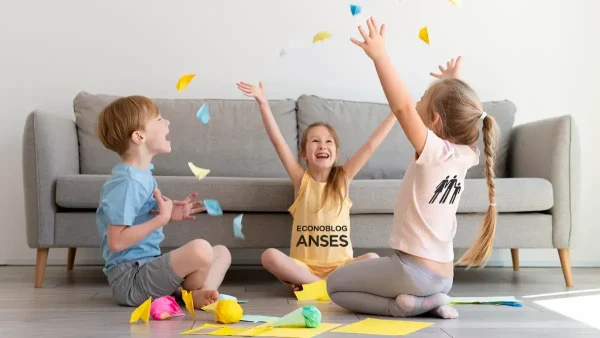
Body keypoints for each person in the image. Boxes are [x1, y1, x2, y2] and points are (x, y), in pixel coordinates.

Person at [326, 17, 499, 319]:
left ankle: (403, 306)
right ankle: (431, 300)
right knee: (369, 271)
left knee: (334, 286)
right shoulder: (467, 154)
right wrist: (453, 85)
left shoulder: (433, 151)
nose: (416, 102)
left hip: (413, 273)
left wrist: (380, 56)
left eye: (423, 100)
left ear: (433, 121)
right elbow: (461, 115)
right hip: (444, 276)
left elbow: (402, 107)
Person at [236, 81, 397, 290]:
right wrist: (263, 104)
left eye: (328, 142)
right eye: (315, 141)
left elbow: (370, 146)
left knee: (373, 258)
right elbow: (278, 142)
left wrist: (396, 112)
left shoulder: (343, 178)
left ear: (336, 153)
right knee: (269, 257)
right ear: (304, 154)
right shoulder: (300, 180)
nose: (322, 145)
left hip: (342, 267)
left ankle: (317, 286)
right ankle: (323, 286)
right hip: (304, 268)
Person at [95, 95, 231, 308]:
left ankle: (196, 294)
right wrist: (161, 219)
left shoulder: (142, 175)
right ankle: (188, 293)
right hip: (131, 280)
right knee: (201, 249)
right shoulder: (128, 182)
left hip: (148, 268)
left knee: (221, 252)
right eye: (159, 119)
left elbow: (137, 217)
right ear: (139, 137)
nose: (167, 122)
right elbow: (116, 241)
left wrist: (166, 212)